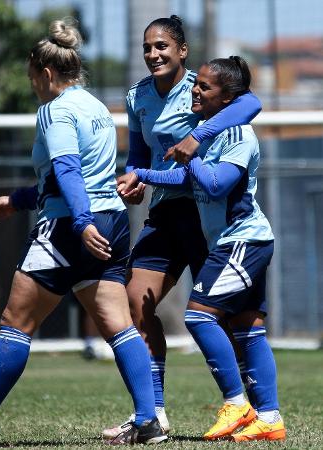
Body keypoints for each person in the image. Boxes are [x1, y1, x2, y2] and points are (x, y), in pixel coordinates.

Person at [0, 18, 168, 446]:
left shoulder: (55, 111)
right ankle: (148, 419)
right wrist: (16, 200)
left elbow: (68, 171)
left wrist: (78, 223)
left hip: (70, 226)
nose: (33, 86)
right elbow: (72, 177)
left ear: (47, 74)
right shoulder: (96, 108)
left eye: (32, 77)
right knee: (118, 323)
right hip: (111, 220)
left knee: (15, 321)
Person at [102, 15, 262, 439]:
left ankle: (256, 411)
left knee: (231, 318)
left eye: (162, 47)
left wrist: (199, 135)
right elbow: (137, 155)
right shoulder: (137, 95)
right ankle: (153, 412)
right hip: (165, 212)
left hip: (207, 214)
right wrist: (133, 179)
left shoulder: (201, 86)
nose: (153, 54)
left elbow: (251, 104)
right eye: (147, 48)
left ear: (182, 51)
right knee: (135, 304)